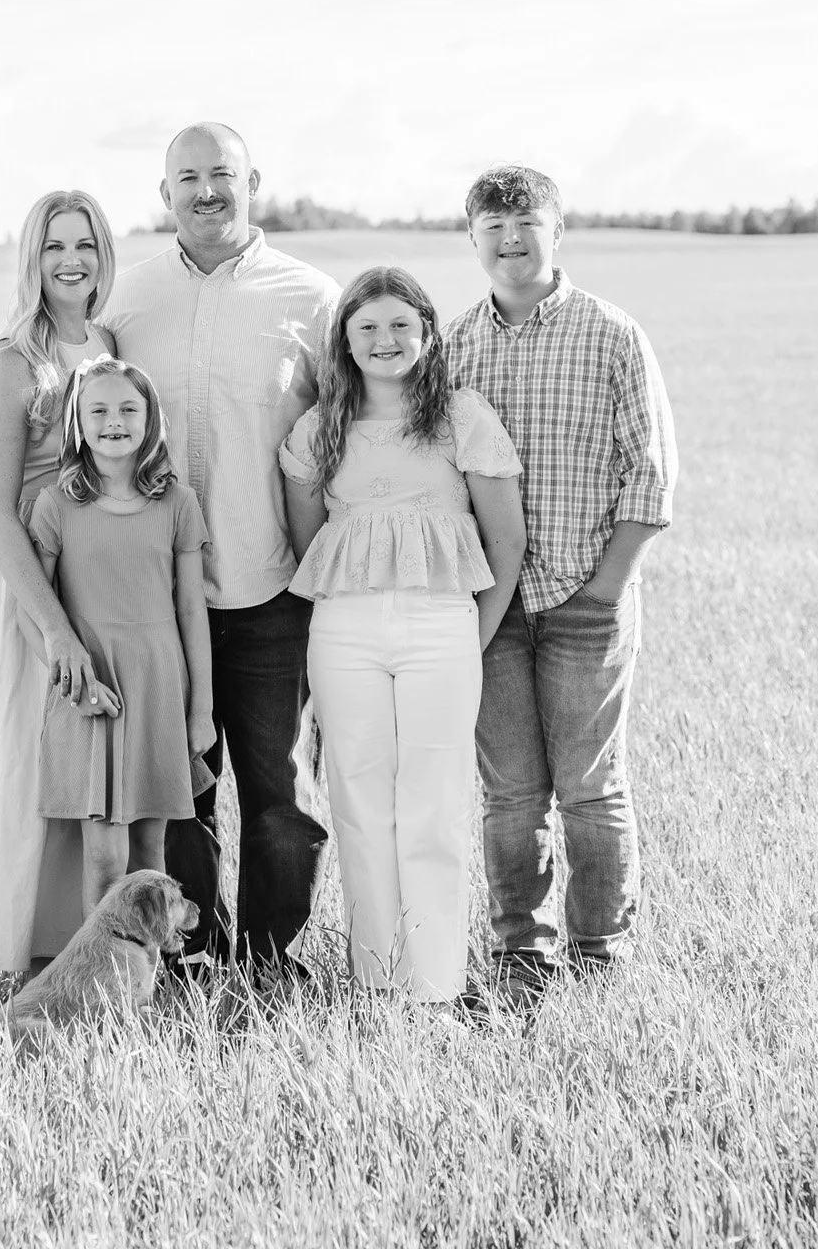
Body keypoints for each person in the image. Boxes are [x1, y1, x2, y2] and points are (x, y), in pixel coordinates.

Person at [99, 123, 341, 975]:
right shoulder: (126, 302)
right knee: (179, 796)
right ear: (164, 192)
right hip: (162, 603)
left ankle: (271, 960)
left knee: (284, 798)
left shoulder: (313, 300)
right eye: (189, 176)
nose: (207, 191)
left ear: (253, 182)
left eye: (222, 174)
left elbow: (350, 433)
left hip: (274, 589)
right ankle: (193, 957)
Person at [443, 166, 678, 987]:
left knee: (590, 789)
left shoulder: (612, 334)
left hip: (587, 598)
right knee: (511, 794)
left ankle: (600, 955)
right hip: (493, 608)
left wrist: (606, 589)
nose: (511, 240)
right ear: (473, 238)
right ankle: (521, 955)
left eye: (527, 224)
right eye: (493, 227)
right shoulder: (454, 345)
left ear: (557, 231)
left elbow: (651, 475)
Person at [281, 268, 527, 1005]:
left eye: (400, 325)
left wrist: (469, 640)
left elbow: (506, 542)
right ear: (345, 340)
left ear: (426, 333)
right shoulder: (319, 428)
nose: (384, 340)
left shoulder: (460, 416)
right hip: (344, 631)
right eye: (368, 327)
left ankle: (434, 988)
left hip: (442, 626)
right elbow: (309, 543)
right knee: (359, 804)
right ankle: (376, 983)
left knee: (434, 804)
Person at [0, 189, 118, 978]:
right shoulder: (12, 360)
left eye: (84, 244)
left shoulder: (108, 340)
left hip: (101, 575)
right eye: (54, 246)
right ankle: (16, 955)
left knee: (90, 766)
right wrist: (51, 626)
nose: (70, 261)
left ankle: (82, 950)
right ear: (32, 259)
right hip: (32, 583)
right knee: (29, 761)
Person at [26, 356, 215, 916]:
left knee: (151, 854)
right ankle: (102, 966)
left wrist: (201, 710)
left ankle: (148, 969)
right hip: (94, 694)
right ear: (78, 423)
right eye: (99, 410)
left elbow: (192, 611)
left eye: (129, 409)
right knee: (106, 859)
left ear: (151, 418)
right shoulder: (57, 505)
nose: (115, 421)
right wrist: (74, 687)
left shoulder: (177, 503)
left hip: (158, 688)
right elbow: (31, 611)